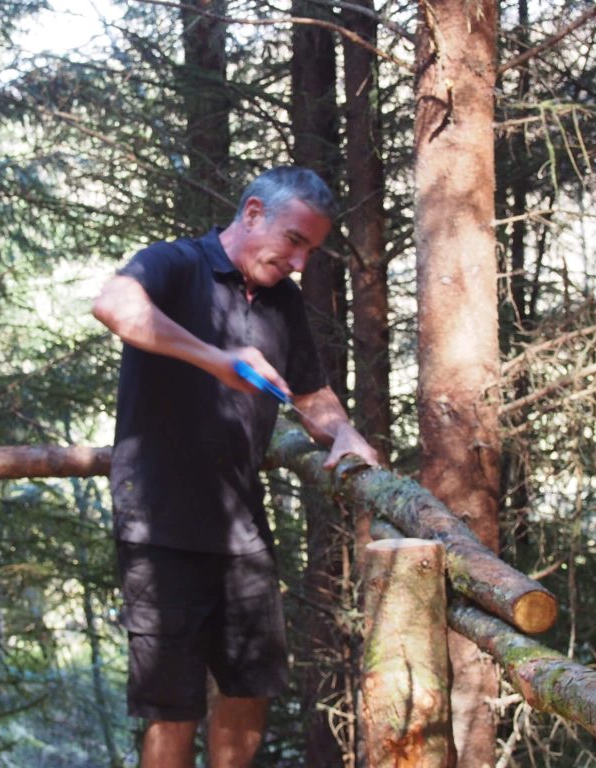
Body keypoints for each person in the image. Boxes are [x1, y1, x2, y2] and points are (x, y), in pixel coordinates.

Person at [92, 166, 380, 768]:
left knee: (249, 692)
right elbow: (112, 304)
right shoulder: (175, 263)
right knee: (173, 711)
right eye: (294, 241)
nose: (299, 262)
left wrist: (344, 431)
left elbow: (310, 394)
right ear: (252, 213)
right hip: (158, 528)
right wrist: (215, 358)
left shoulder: (282, 300)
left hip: (243, 529)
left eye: (310, 250)